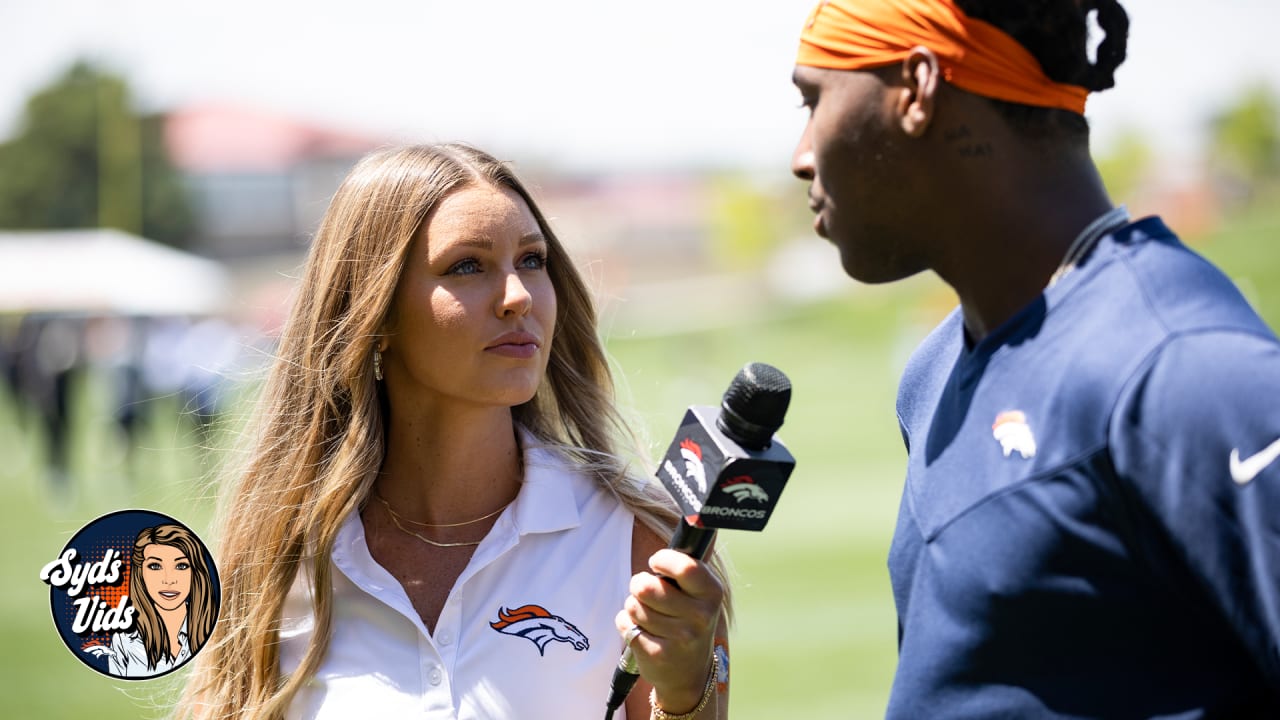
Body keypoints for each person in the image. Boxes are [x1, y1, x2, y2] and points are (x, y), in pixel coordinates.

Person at [789, 0, 1280, 716]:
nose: (800, 153)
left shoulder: (1182, 367)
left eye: (812, 100)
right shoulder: (932, 373)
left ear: (917, 88)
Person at [177, 144, 729, 720]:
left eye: (533, 261)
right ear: (378, 310)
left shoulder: (642, 542)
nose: (518, 296)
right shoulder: (276, 559)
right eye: (467, 266)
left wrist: (687, 694)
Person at [108, 523, 218, 678]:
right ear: (140, 574)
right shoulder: (124, 640)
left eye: (181, 566)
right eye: (155, 566)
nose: (169, 580)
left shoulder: (213, 626)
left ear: (196, 572)